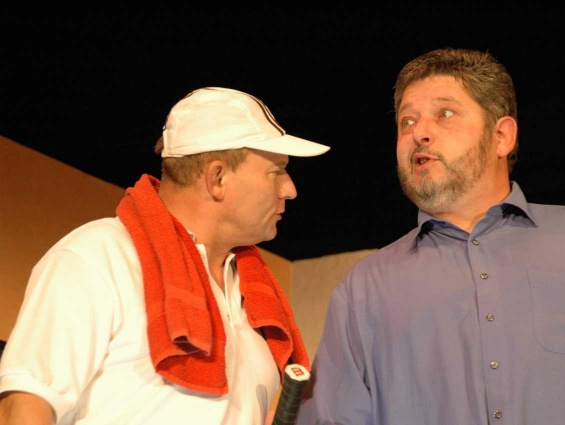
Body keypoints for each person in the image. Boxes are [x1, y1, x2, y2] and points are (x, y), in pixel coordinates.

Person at [296, 48, 565, 425]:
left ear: (501, 136)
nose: (419, 133)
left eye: (444, 113)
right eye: (406, 121)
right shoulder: (364, 289)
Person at [0, 87, 330, 425]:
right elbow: (24, 407)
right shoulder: (99, 256)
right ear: (217, 179)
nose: (290, 189)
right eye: (277, 171)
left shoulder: (256, 297)